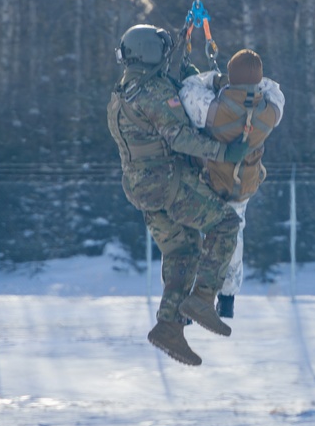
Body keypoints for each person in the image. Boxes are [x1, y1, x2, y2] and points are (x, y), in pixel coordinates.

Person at [106, 24, 250, 367]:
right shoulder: (153, 92)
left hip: (140, 188)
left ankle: (169, 326)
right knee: (226, 224)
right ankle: (203, 298)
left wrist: (185, 67)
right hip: (168, 182)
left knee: (182, 252)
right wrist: (223, 152)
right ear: (150, 53)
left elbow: (171, 94)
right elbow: (178, 136)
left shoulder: (122, 92)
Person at [179, 49, 284, 318]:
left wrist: (214, 78)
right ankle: (227, 300)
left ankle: (188, 297)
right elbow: (275, 89)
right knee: (234, 235)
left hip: (211, 184)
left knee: (193, 235)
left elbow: (188, 89)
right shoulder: (270, 112)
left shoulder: (214, 109)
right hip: (244, 187)